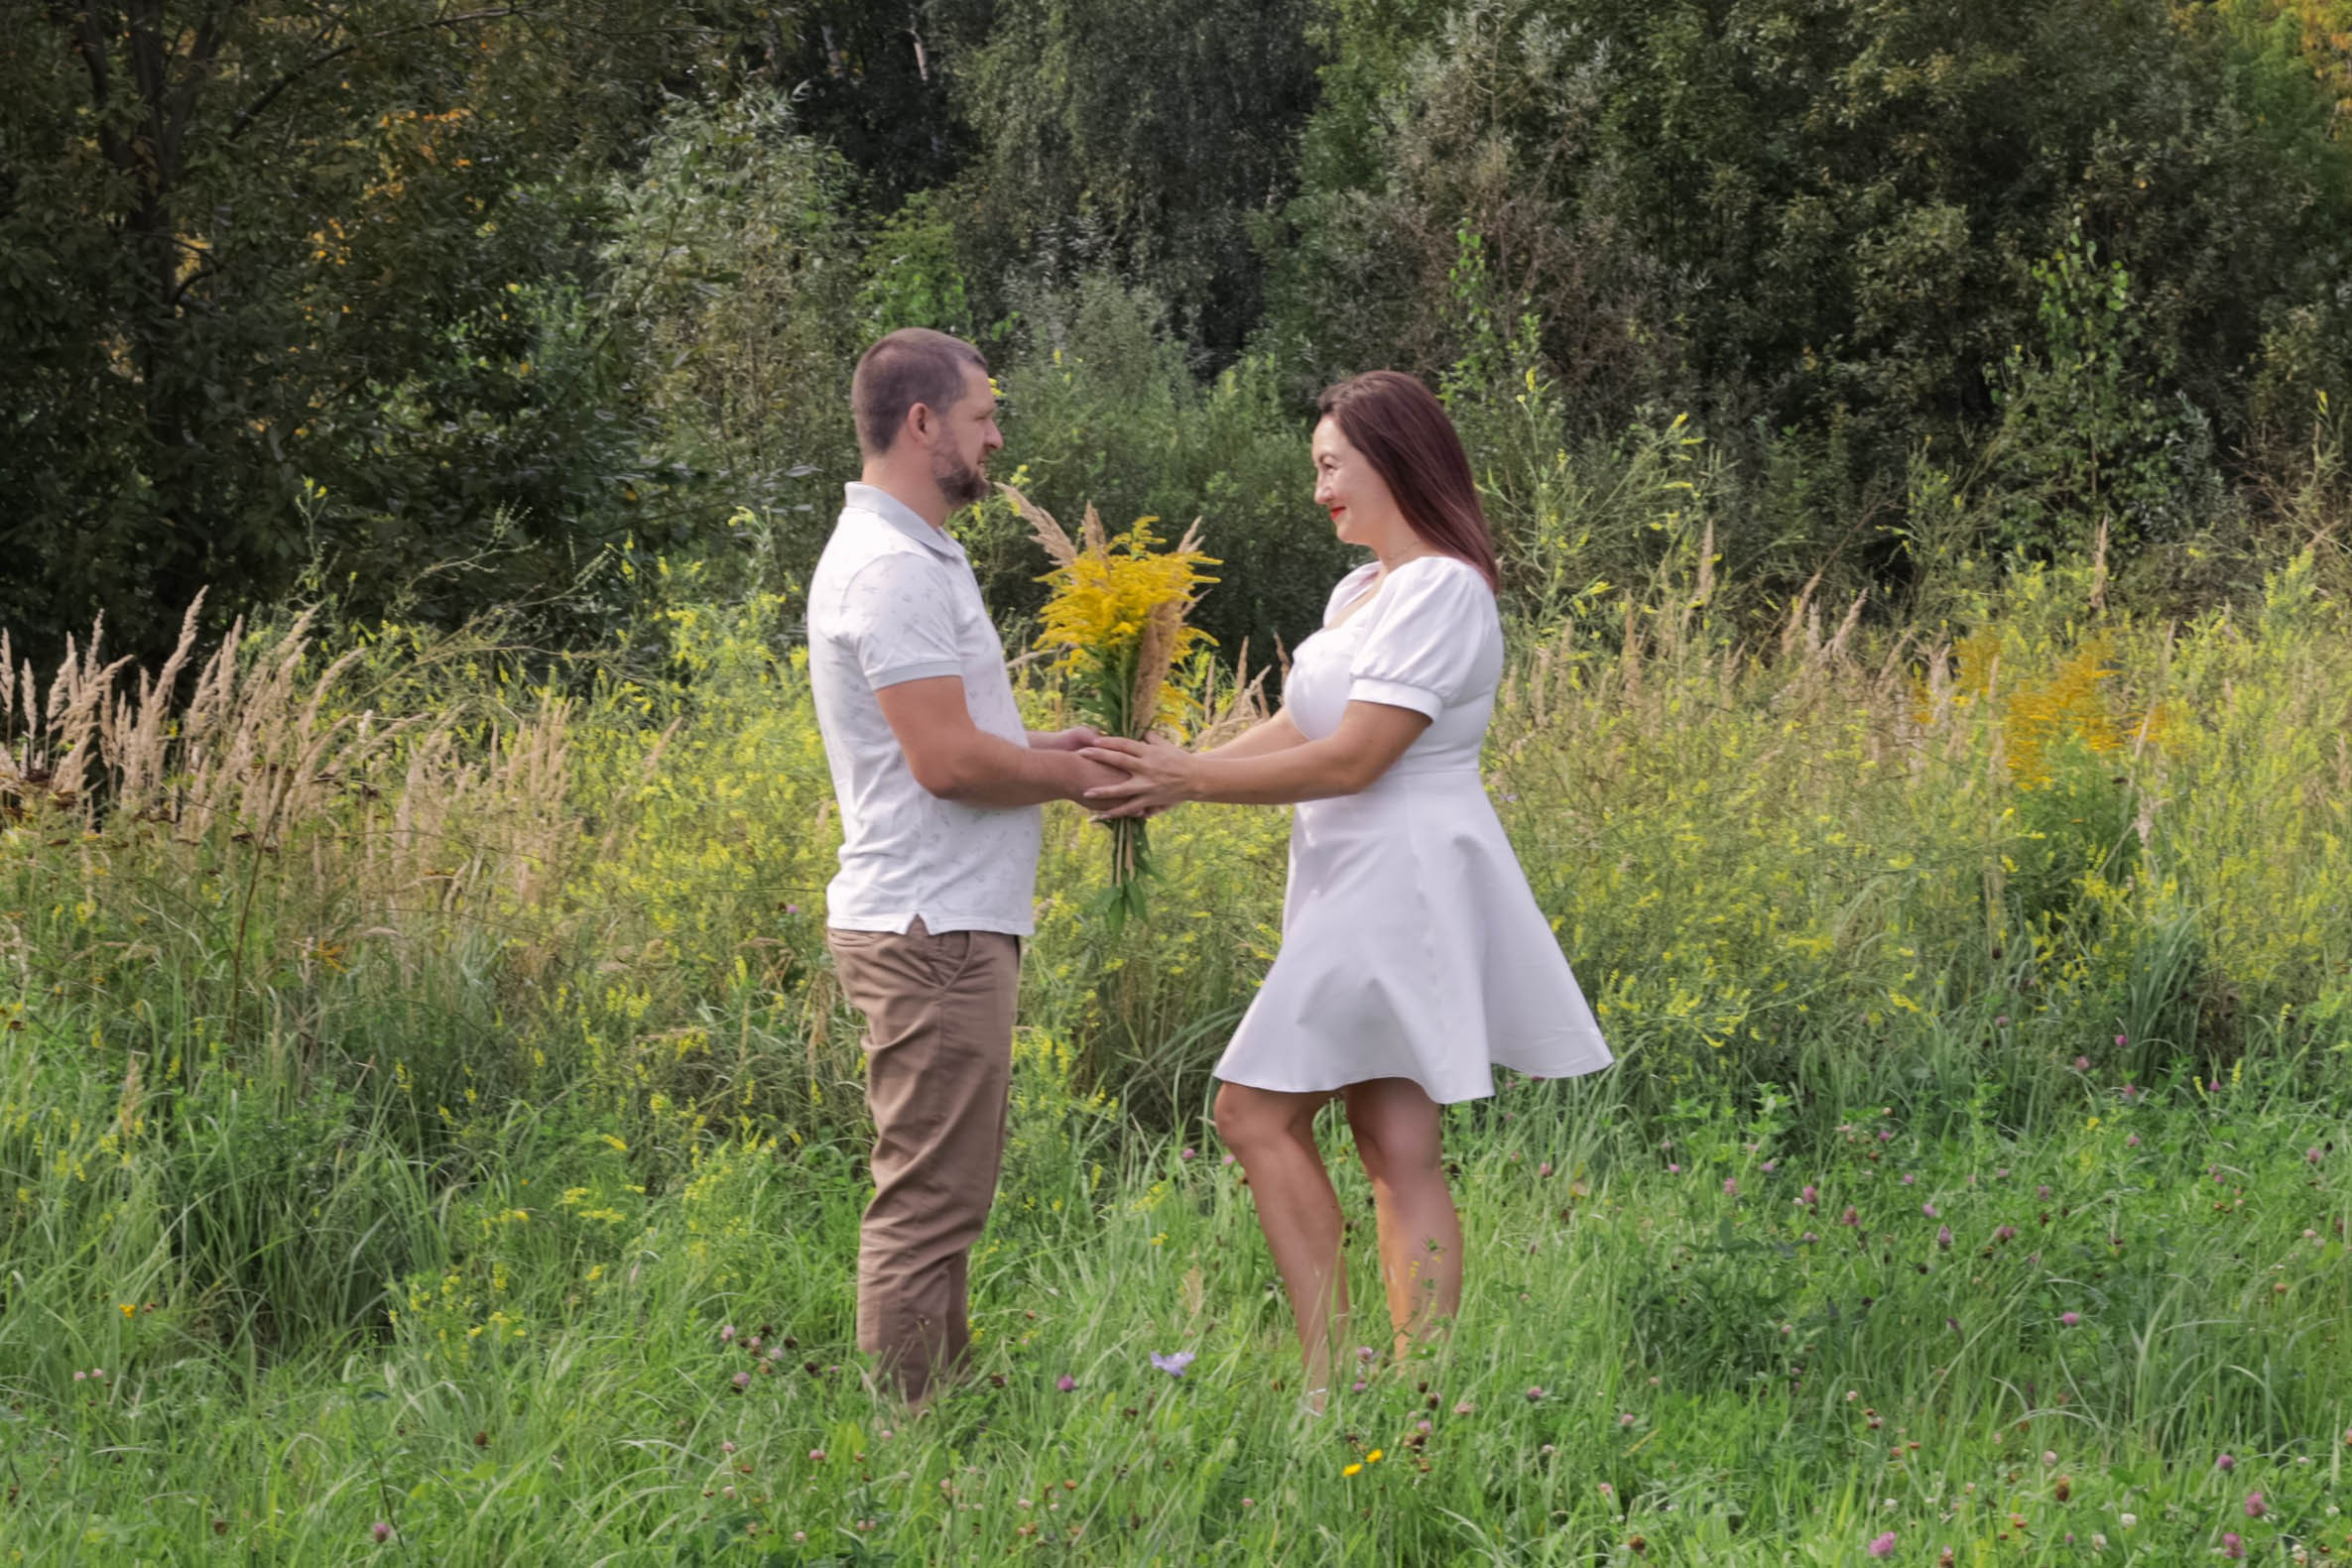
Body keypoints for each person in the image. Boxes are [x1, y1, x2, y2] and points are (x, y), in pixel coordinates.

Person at [1081, 370, 1613, 1406]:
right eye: (1315, 470)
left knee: (1249, 1114)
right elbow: (1310, 726)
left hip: (1400, 872)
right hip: (1351, 869)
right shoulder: (1360, 590)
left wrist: (1192, 778)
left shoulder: (1444, 589)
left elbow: (1361, 755)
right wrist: (1180, 777)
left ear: (1394, 461)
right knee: (1393, 1141)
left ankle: (1326, 1383)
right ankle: (1418, 1398)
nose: (1319, 488)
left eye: (1332, 466)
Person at [807, 327, 1119, 1407]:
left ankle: (942, 1415)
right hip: (929, 927)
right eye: (983, 416)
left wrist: (1050, 751)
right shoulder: (891, 568)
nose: (996, 436)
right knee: (928, 1205)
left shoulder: (915, 552)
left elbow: (948, 740)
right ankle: (912, 1444)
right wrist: (1077, 782)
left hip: (943, 919)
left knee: (947, 1196)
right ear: (922, 422)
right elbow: (941, 762)